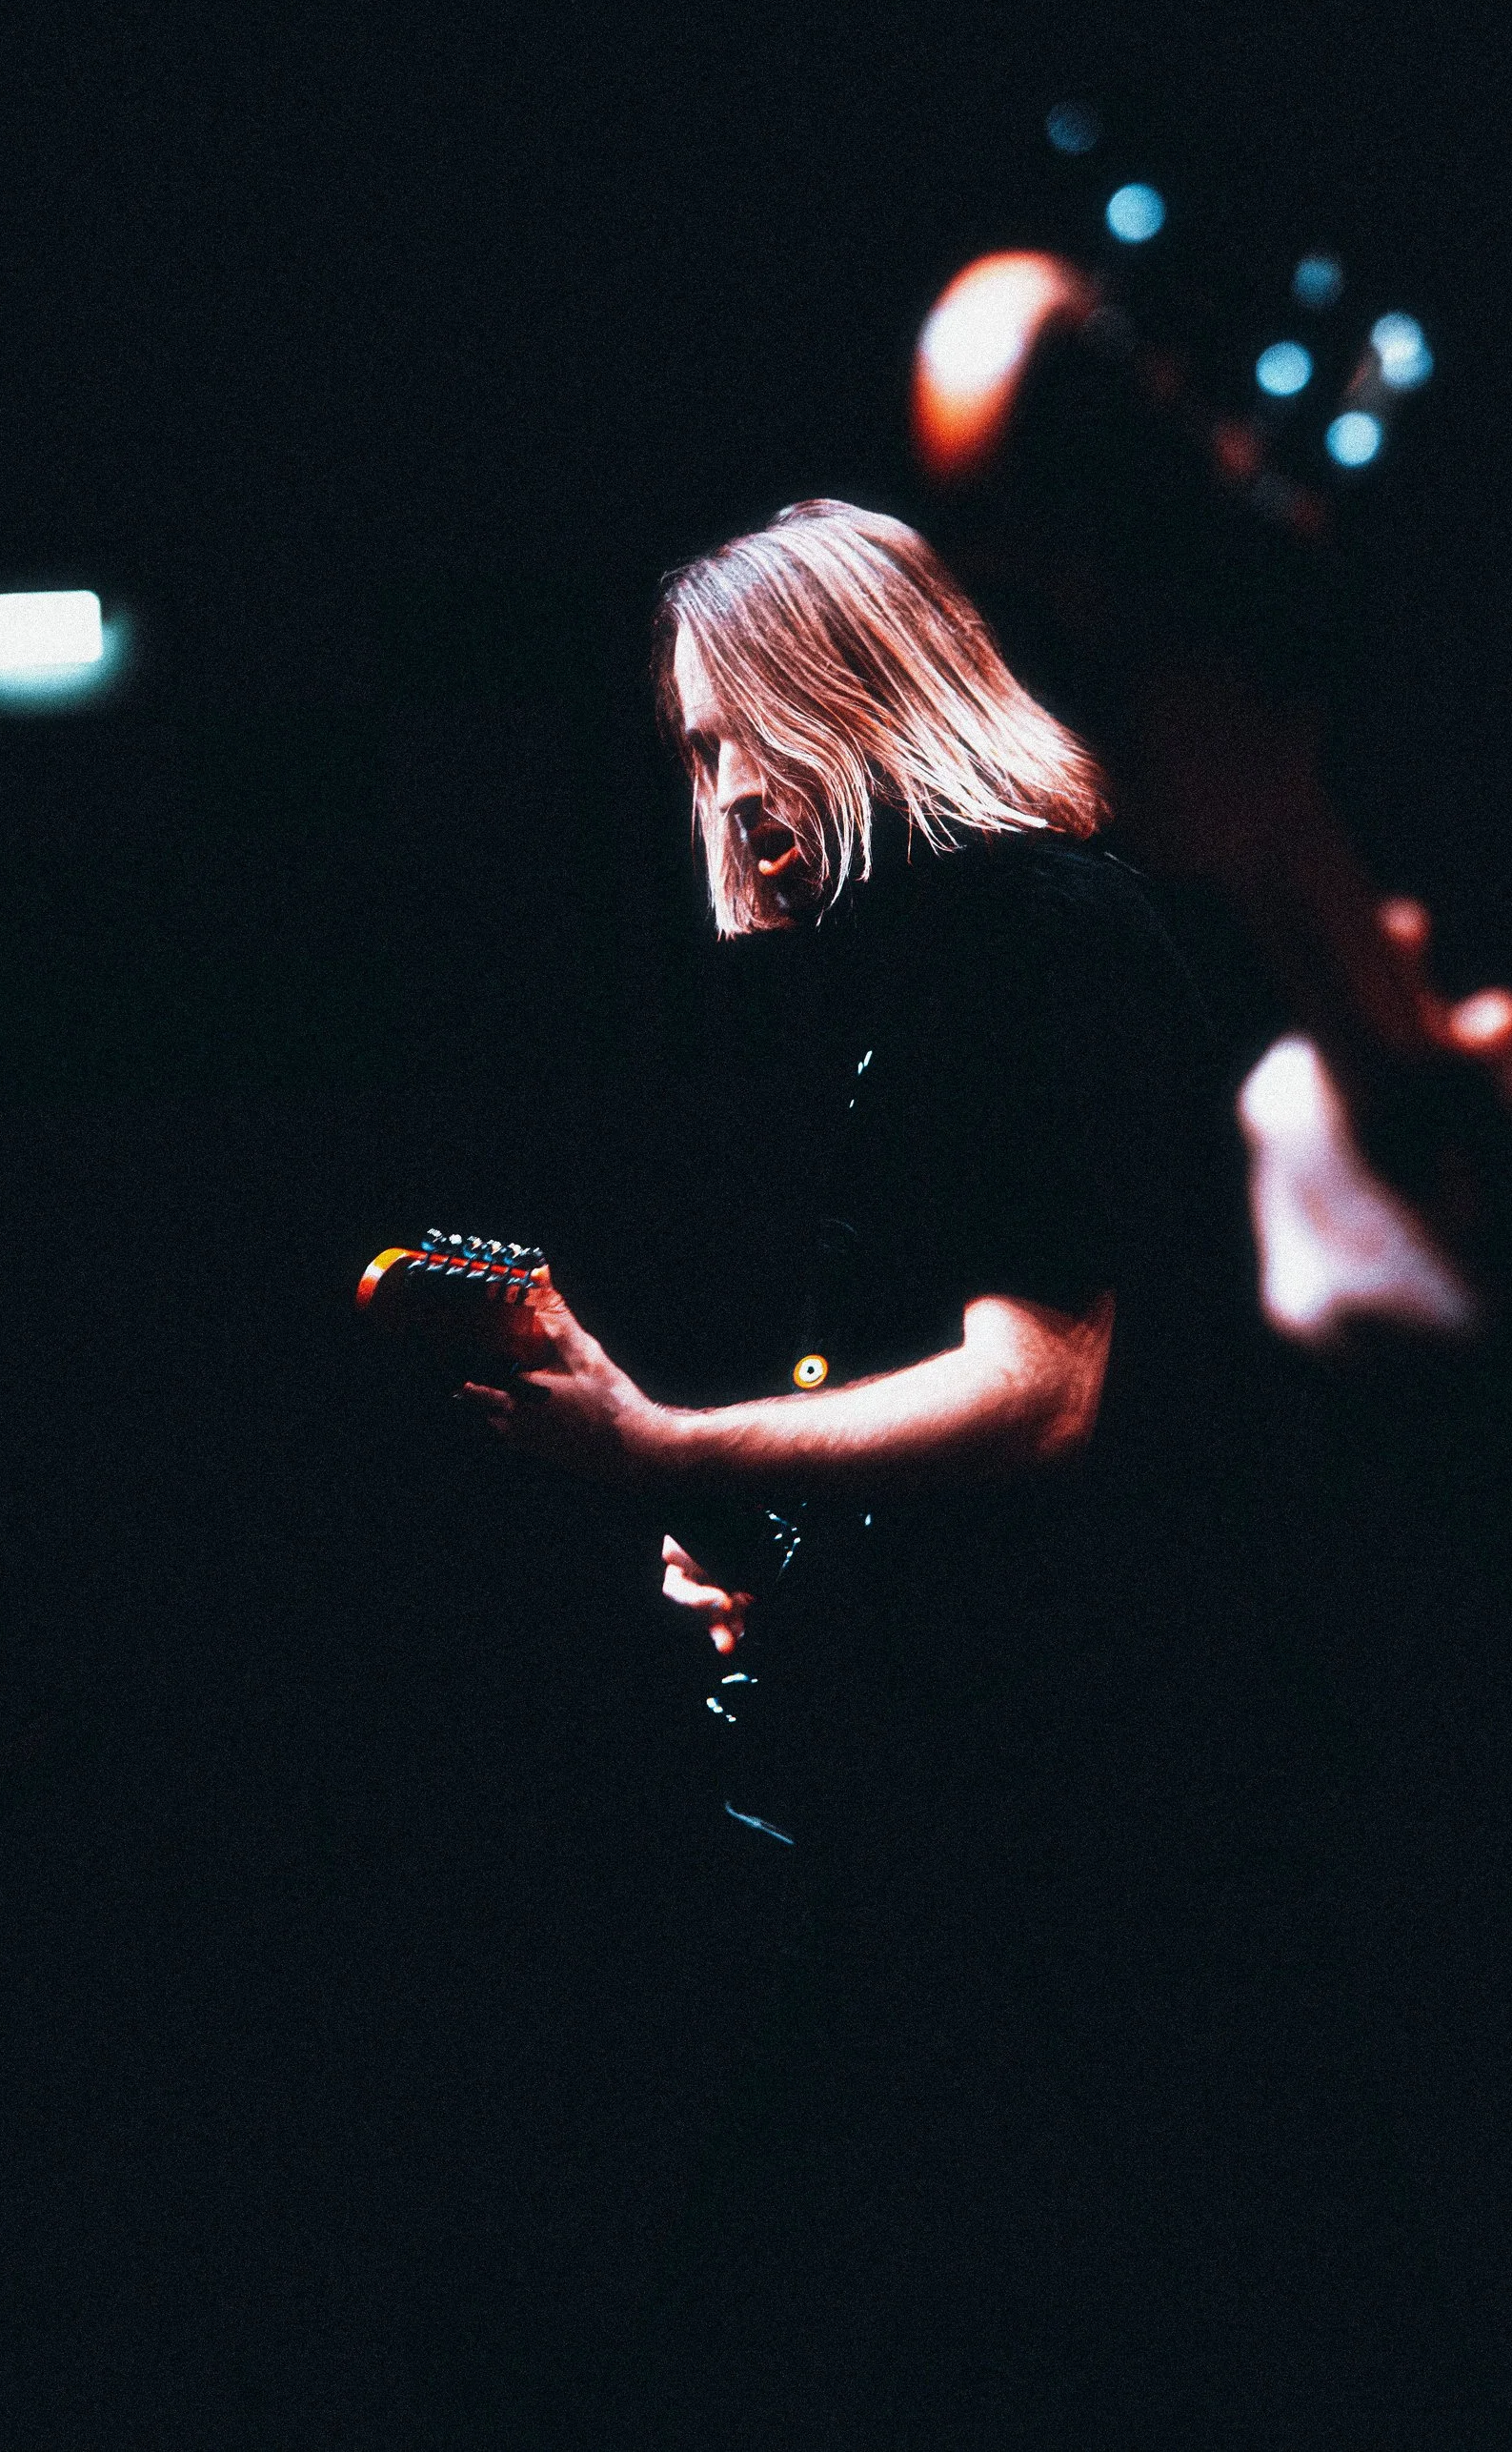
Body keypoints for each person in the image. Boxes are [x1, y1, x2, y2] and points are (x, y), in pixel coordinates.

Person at [464, 499, 1310, 2448]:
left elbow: (1043, 1390)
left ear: (831, 699)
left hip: (1076, 1806)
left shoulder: (1027, 937)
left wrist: (664, 1444)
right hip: (1008, 1784)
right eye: (694, 753)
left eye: (726, 737)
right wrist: (790, 1569)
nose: (719, 794)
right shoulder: (956, 962)